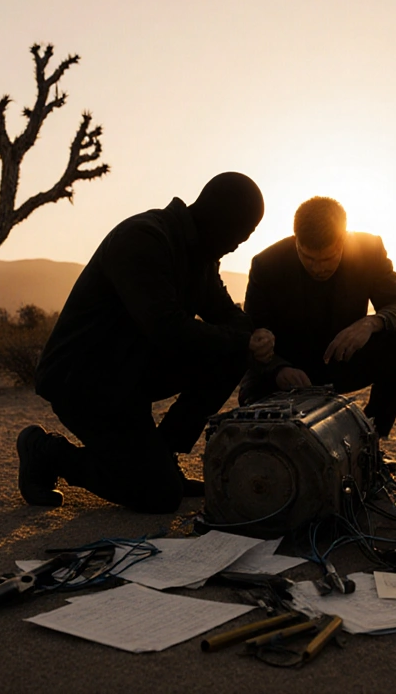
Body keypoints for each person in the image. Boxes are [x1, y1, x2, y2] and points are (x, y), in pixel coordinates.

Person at [16, 172, 276, 514]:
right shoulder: (144, 239)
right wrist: (243, 339)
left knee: (232, 354)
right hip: (83, 383)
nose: (239, 243)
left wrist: (255, 337)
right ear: (217, 217)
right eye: (239, 231)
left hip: (128, 376)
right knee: (158, 494)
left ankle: (162, 454)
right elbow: (168, 329)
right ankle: (45, 451)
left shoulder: (202, 254)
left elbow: (227, 316)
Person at [240, 197, 396, 439]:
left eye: (327, 258)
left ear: (343, 239)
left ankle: (370, 438)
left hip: (339, 362)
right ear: (296, 242)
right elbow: (251, 336)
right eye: (308, 258)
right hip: (284, 373)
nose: (318, 268)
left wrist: (370, 323)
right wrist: (276, 368)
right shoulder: (266, 264)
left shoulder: (369, 250)